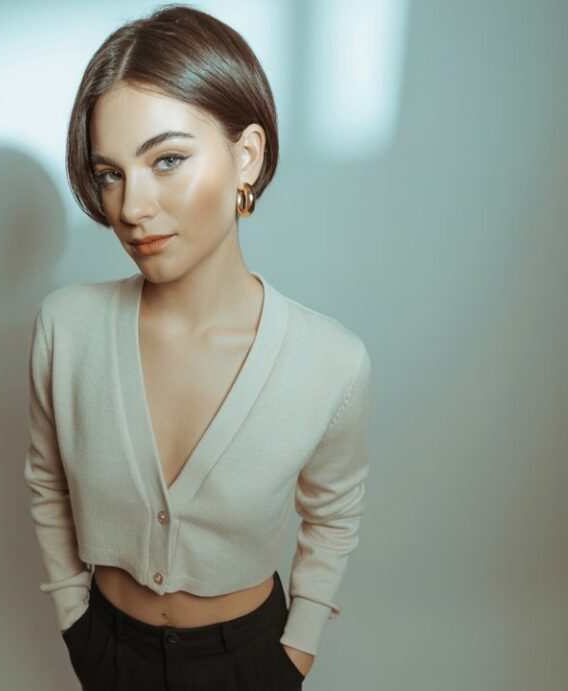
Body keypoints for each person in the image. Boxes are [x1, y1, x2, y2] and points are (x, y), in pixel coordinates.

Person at [24, 5, 373, 690]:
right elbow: (47, 482)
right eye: (111, 173)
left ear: (247, 156)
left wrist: (294, 653)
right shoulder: (66, 328)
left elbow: (333, 515)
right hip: (107, 653)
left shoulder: (331, 363)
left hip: (250, 661)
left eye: (168, 160)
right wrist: (74, 619)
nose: (131, 209)